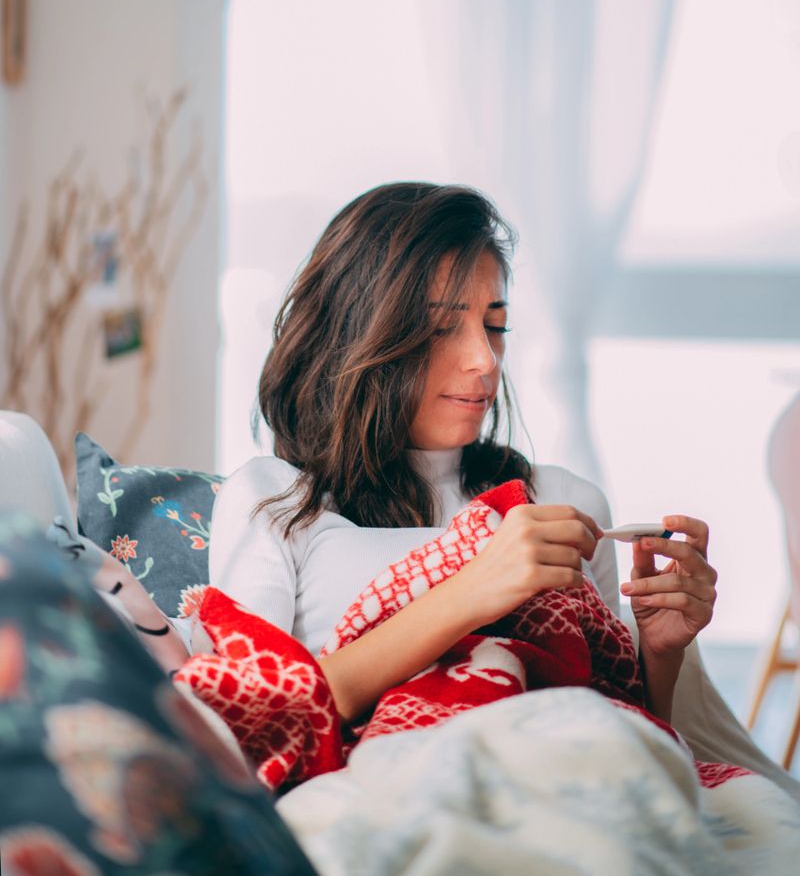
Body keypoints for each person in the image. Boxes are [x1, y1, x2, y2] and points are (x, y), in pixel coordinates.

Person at [209, 182, 717, 727]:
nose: (485, 359)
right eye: (442, 326)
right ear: (359, 332)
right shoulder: (274, 501)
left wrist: (659, 655)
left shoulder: (564, 501)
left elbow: (626, 729)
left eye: (494, 326)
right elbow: (260, 723)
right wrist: (471, 588)